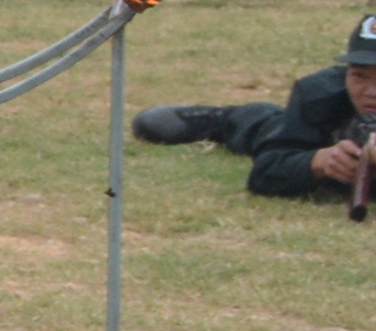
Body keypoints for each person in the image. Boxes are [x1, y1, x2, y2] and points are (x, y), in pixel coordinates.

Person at [134, 11, 376, 197]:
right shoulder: (321, 96)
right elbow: (266, 172)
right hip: (306, 133)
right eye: (359, 76)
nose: (371, 92)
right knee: (270, 128)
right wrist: (318, 162)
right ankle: (221, 120)